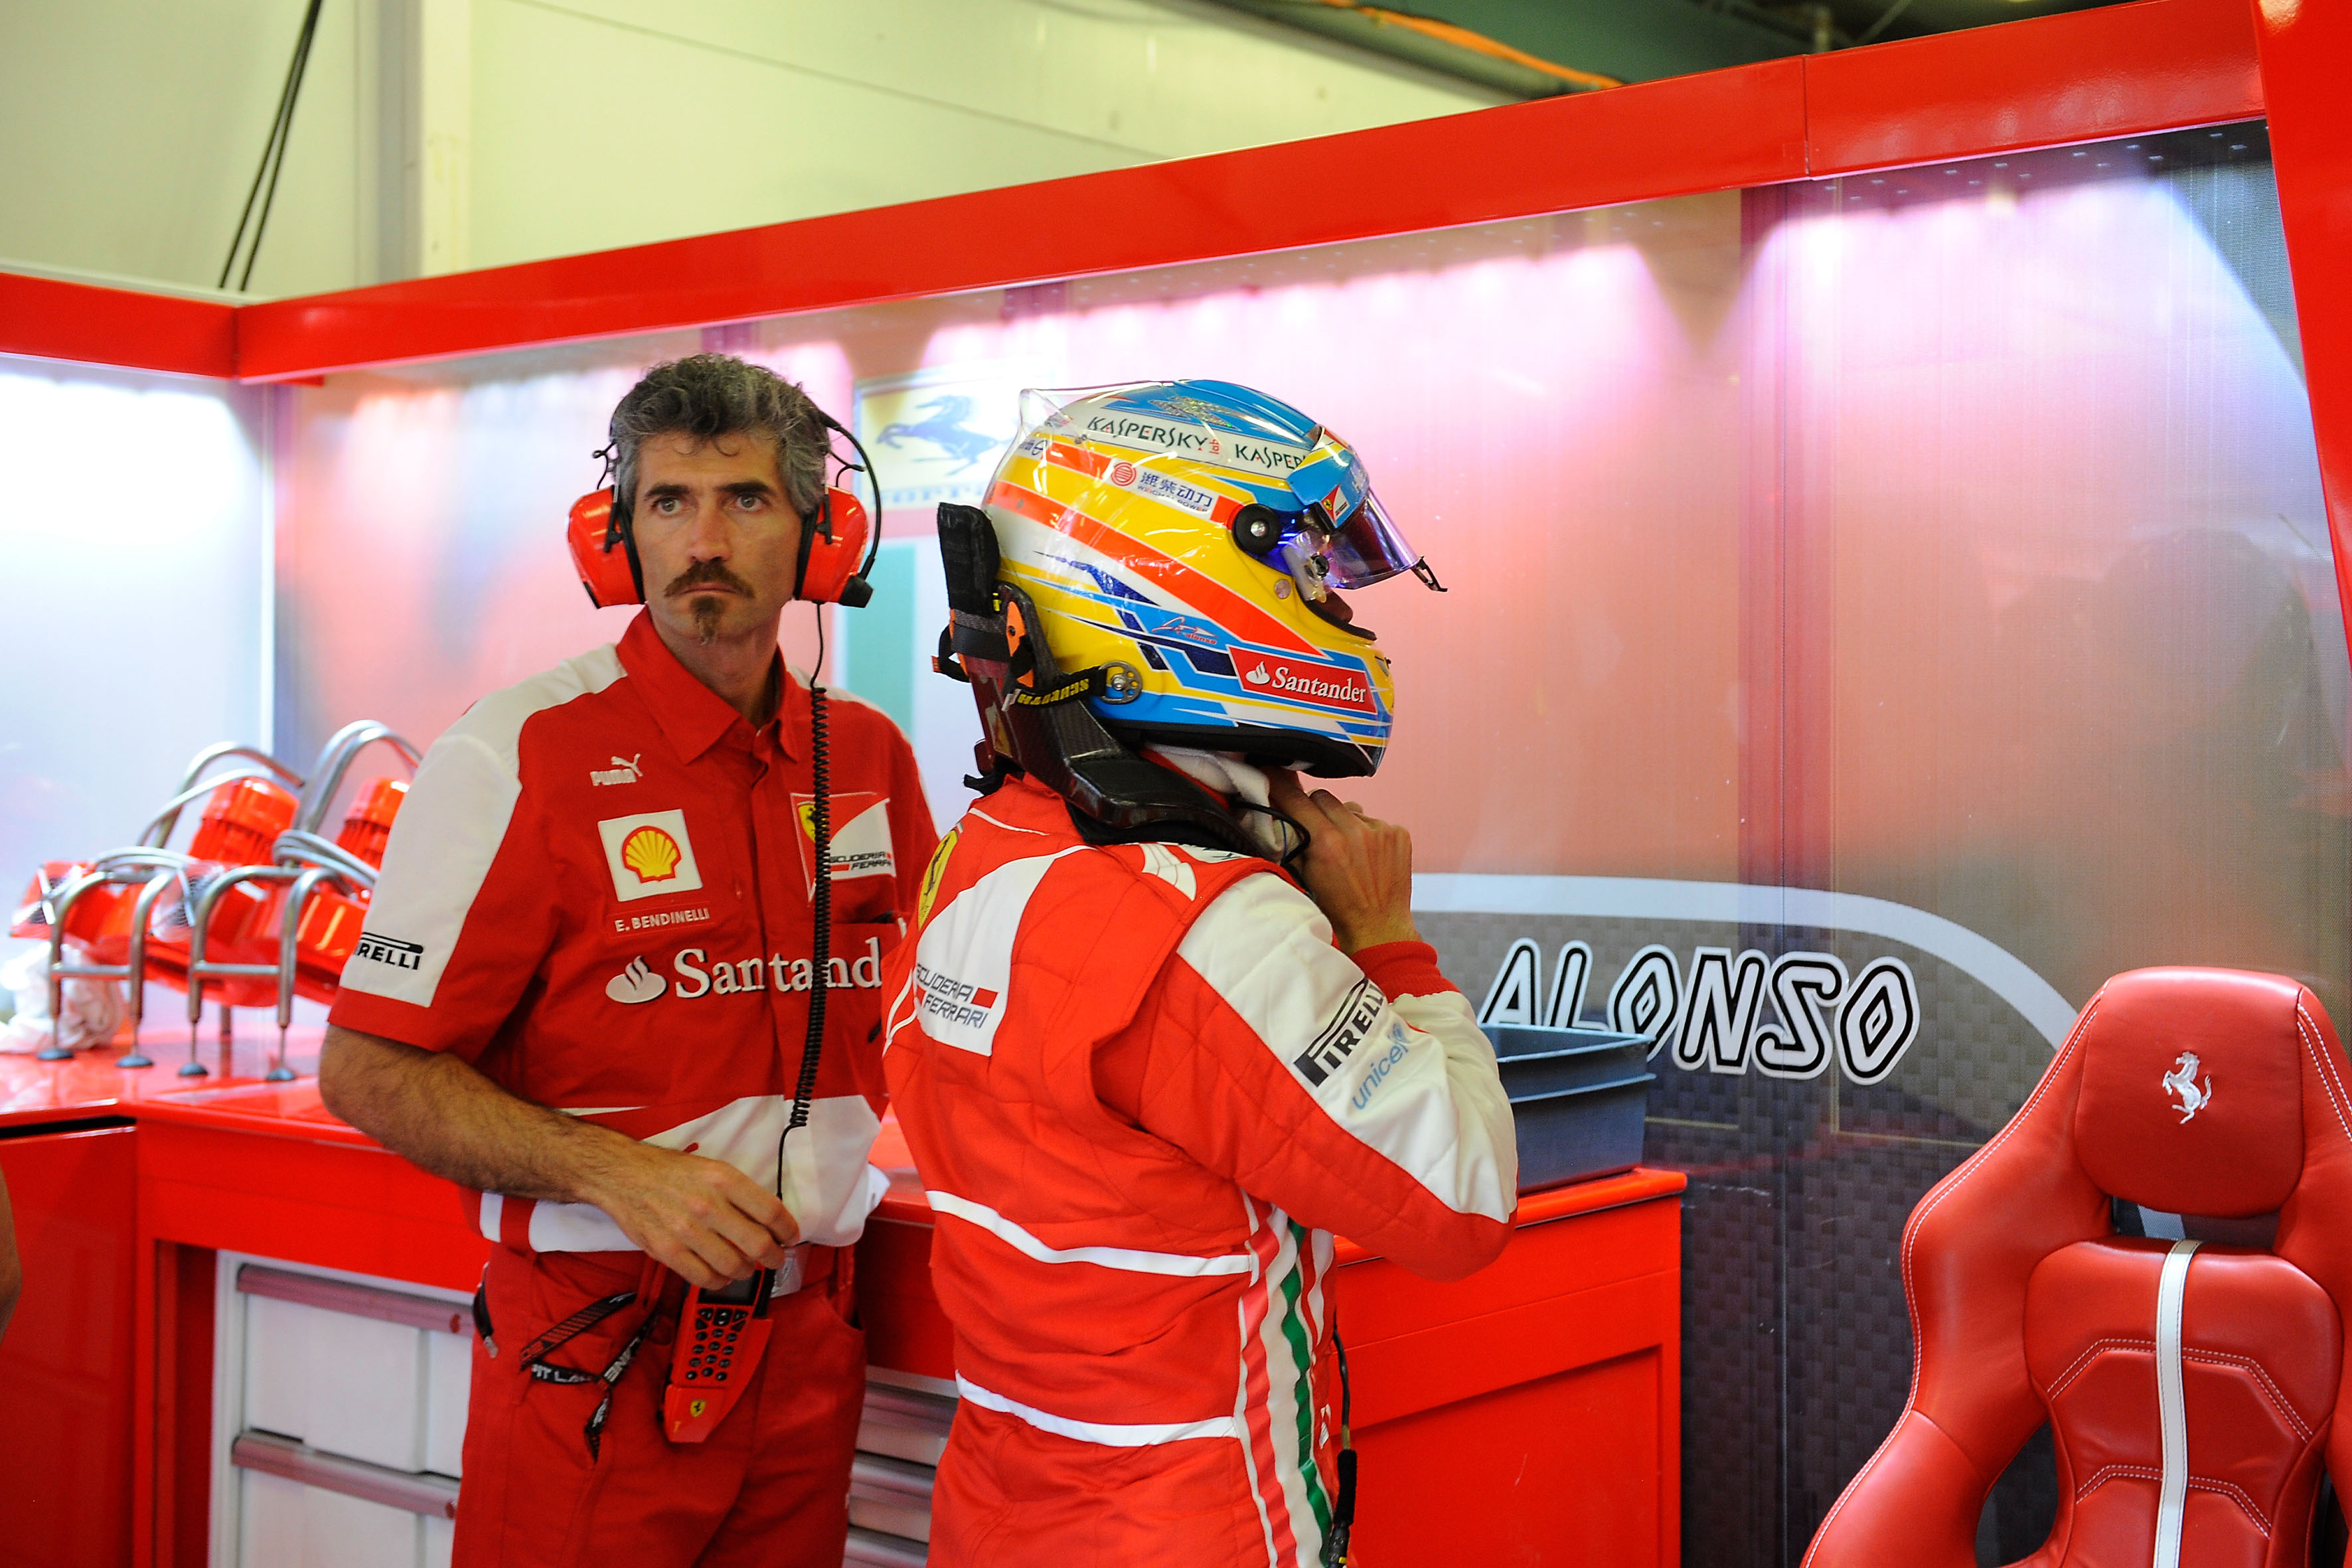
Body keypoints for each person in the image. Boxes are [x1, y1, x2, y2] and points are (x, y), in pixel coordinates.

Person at [882, 380, 1518, 1567]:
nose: (1338, 606)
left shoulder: (977, 851)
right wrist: (1385, 938)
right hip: (1198, 1523)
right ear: (1179, 581)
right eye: (1312, 571)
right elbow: (1463, 1200)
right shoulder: (1212, 924)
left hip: (1001, 1511)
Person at [319, 354, 935, 1568]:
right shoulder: (516, 751)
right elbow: (368, 1067)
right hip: (598, 1335)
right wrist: (619, 1174)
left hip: (813, 1344)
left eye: (745, 499)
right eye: (668, 501)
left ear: (821, 538)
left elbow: (947, 1013)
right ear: (618, 536)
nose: (704, 542)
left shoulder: (866, 755)